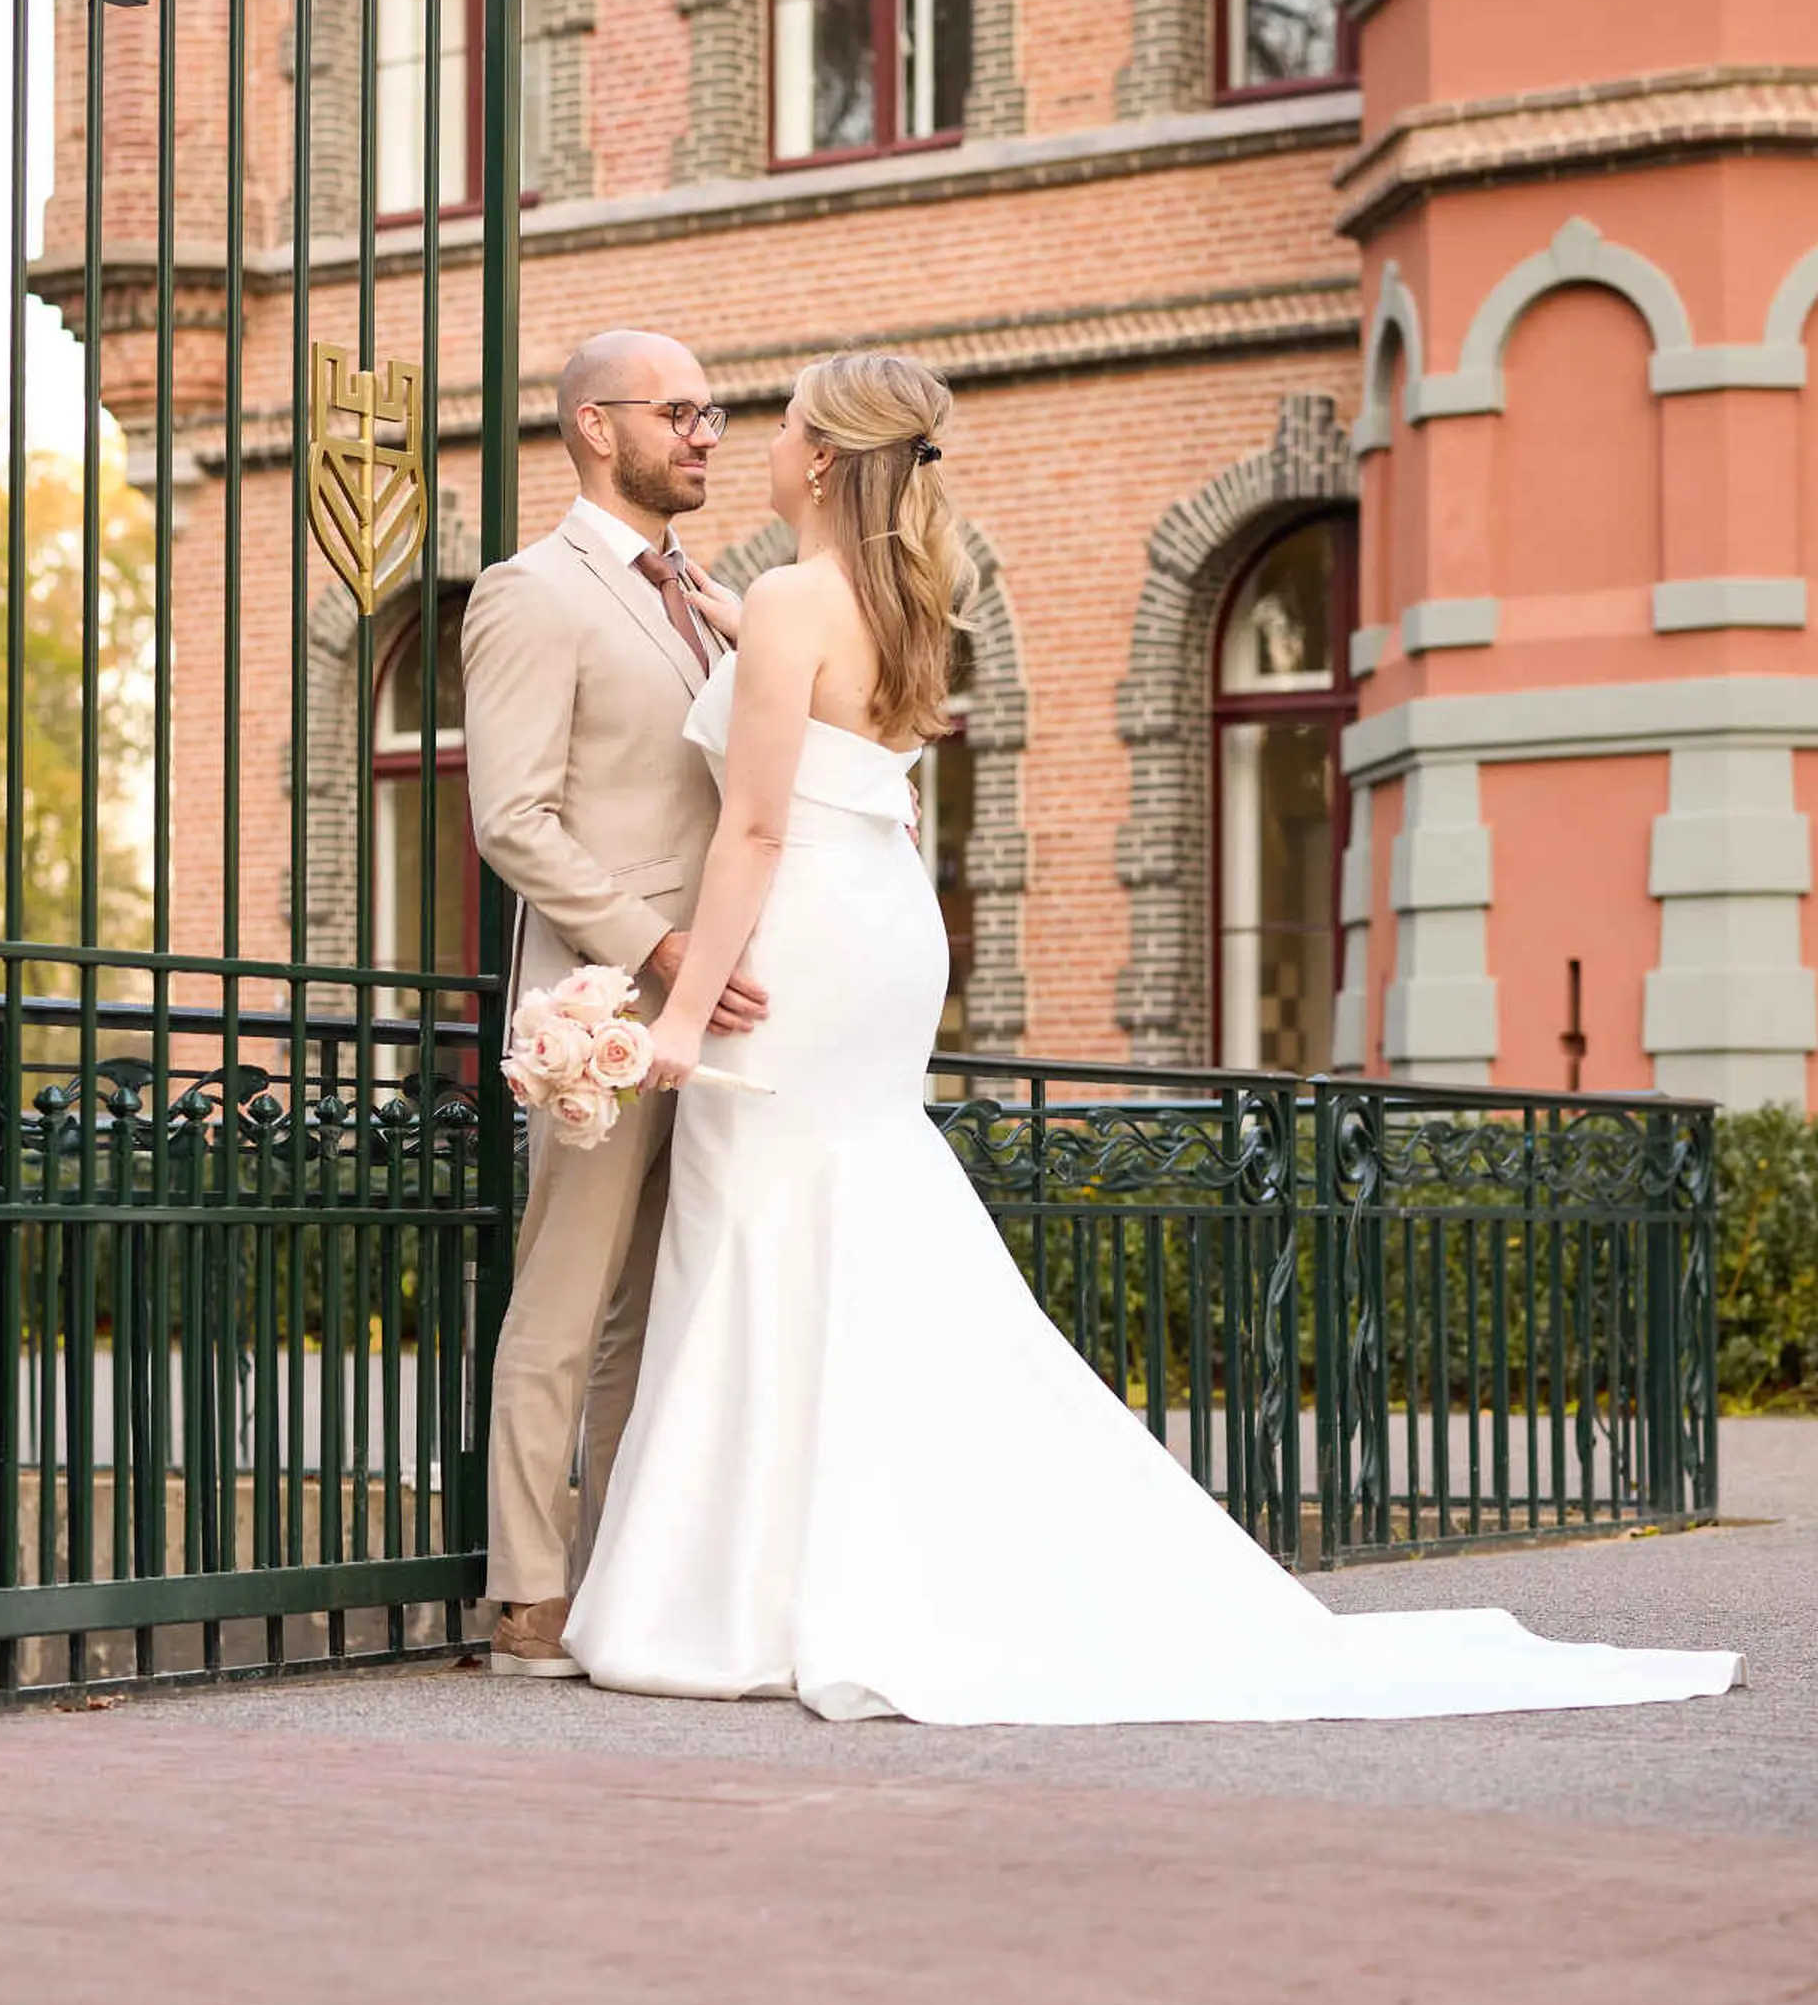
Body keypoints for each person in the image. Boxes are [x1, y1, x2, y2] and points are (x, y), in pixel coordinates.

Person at [560, 350, 1744, 1723]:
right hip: (882, 931)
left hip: (803, 937)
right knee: (847, 1218)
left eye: (778, 424)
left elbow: (758, 828)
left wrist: (681, 1014)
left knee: (761, 1227)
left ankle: (738, 1595)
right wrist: (726, 619)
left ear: (822, 456)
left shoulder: (786, 600)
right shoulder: (897, 598)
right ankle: (832, 1569)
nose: (755, 442)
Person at [458, 329, 760, 1677]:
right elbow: (513, 819)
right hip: (604, 1005)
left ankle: (624, 1578)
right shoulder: (530, 593)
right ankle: (528, 1592)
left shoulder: (711, 595)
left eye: (711, 413)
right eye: (679, 412)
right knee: (566, 1301)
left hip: (731, 1010)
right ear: (595, 424)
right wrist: (657, 947)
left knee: (665, 1306)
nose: (704, 435)